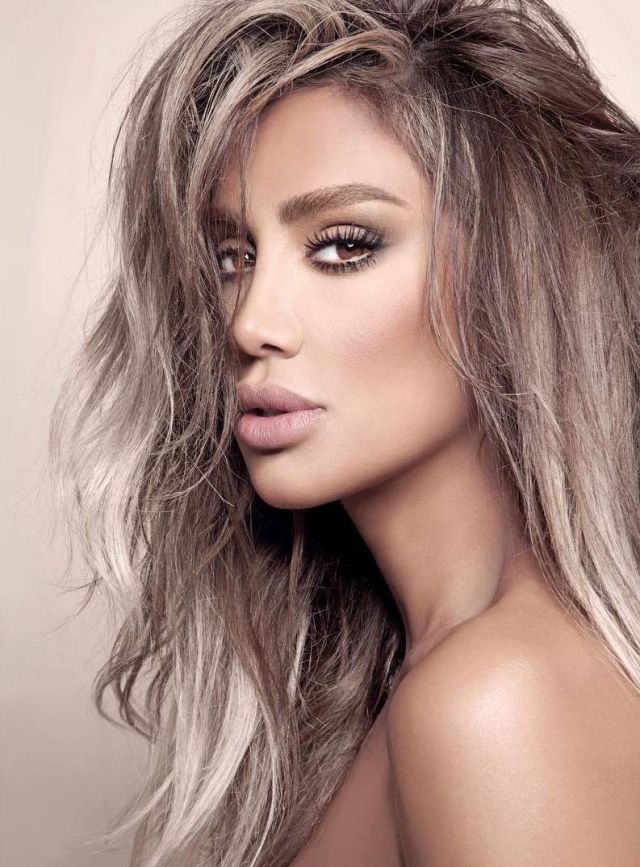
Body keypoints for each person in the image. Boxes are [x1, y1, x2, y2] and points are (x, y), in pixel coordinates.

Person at [48, 0, 640, 864]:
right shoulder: (415, 676)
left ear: (514, 277)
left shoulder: (492, 703)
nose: (250, 321)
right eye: (233, 256)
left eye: (343, 245)